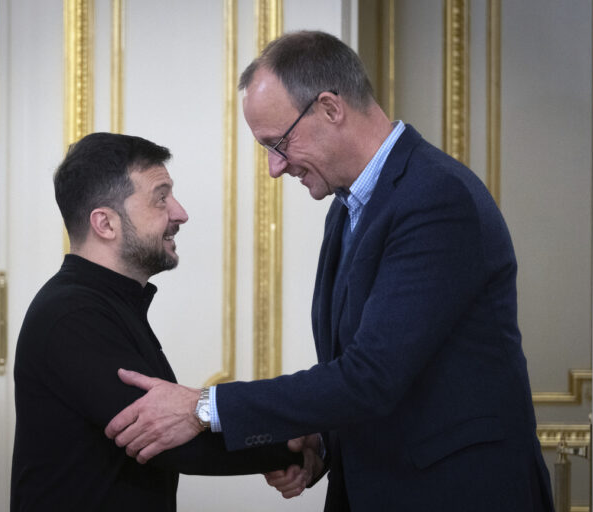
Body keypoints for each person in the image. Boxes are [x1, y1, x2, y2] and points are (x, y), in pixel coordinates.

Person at [103, 31, 554, 511]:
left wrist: (203, 407)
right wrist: (322, 443)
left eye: (279, 143)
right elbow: (374, 369)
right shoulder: (347, 207)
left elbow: (372, 376)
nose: (275, 167)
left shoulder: (436, 198)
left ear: (330, 108)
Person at [10, 132, 308, 512]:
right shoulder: (73, 314)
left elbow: (175, 425)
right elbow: (172, 442)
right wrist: (292, 445)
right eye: (161, 197)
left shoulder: (104, 303)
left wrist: (281, 446)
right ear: (105, 223)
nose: (180, 212)